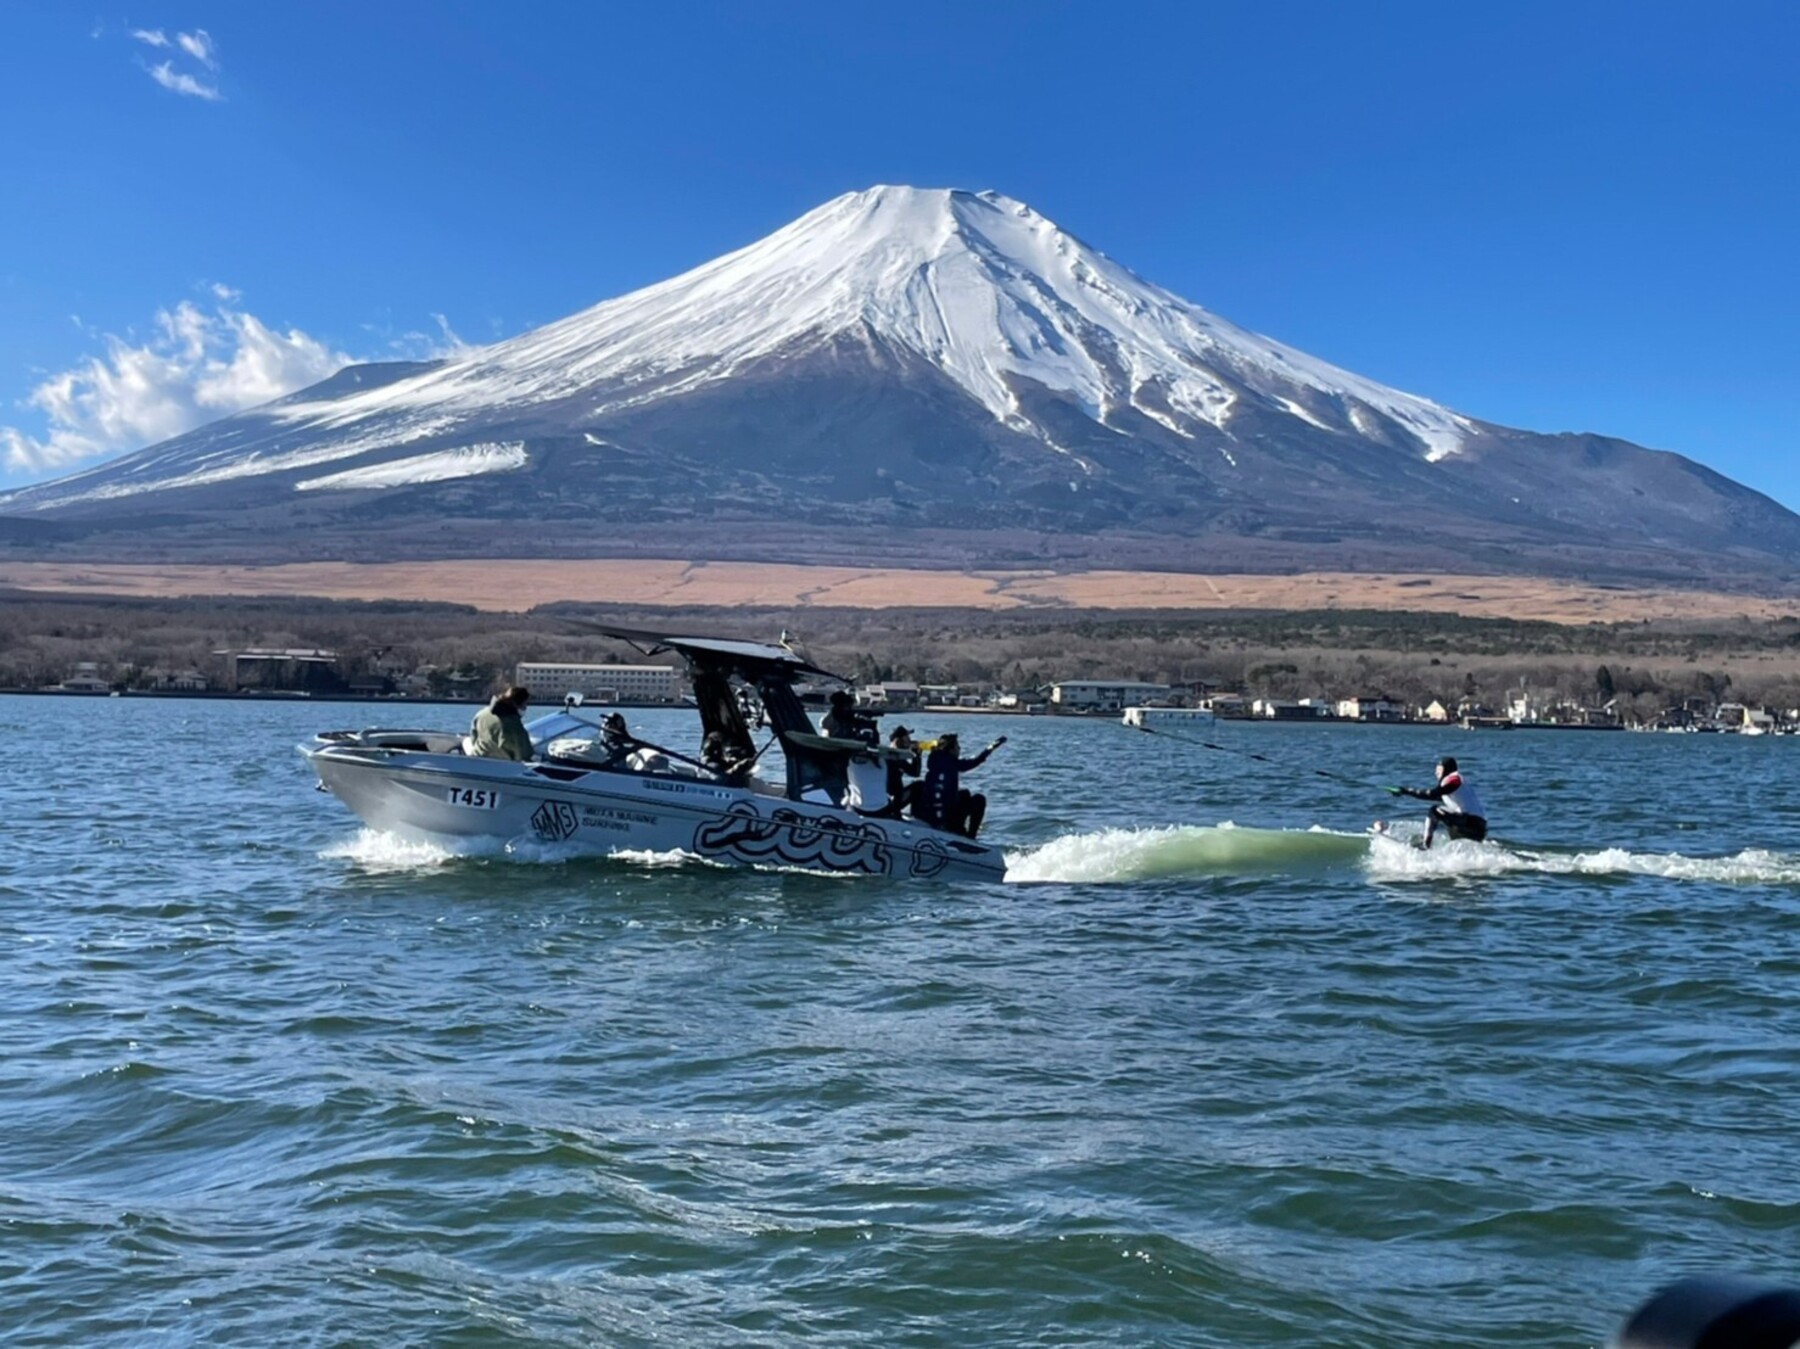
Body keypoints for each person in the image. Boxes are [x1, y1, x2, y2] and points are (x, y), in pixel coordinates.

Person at [914, 732, 1006, 838]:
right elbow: (977, 760)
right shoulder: (954, 763)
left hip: (926, 813)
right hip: (944, 819)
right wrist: (992, 746)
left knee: (964, 793)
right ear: (951, 750)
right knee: (979, 799)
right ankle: (970, 837)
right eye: (957, 746)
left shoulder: (932, 759)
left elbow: (929, 747)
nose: (959, 748)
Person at [1396, 755, 1488, 847]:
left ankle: (1425, 845)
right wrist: (1405, 792)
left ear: (1446, 770)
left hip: (1469, 822)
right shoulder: (1461, 787)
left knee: (1434, 811)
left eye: (1439, 770)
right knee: (1449, 821)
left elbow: (1433, 793)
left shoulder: (1453, 778)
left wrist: (1406, 791)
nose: (1436, 773)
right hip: (1480, 828)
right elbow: (1433, 796)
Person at [470, 685, 533, 761]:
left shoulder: (481, 714)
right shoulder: (513, 725)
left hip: (476, 758)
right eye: (524, 705)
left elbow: (473, 738)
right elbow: (523, 753)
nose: (525, 708)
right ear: (517, 704)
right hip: (500, 764)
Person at [879, 725, 921, 818]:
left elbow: (914, 773)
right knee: (919, 787)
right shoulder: (895, 757)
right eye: (907, 738)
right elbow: (915, 773)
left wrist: (916, 755)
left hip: (885, 799)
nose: (910, 740)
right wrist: (917, 756)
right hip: (890, 802)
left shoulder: (890, 754)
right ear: (899, 740)